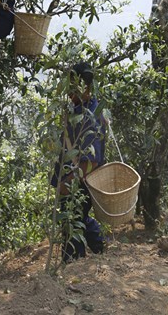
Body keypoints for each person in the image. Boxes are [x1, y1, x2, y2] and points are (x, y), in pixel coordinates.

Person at [51, 61, 106, 262]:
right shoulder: (79, 110)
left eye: (74, 87)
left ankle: (74, 265)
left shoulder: (90, 117)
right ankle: (99, 247)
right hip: (71, 179)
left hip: (78, 184)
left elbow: (91, 162)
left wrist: (68, 184)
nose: (70, 92)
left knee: (72, 224)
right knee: (78, 219)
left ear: (86, 87)